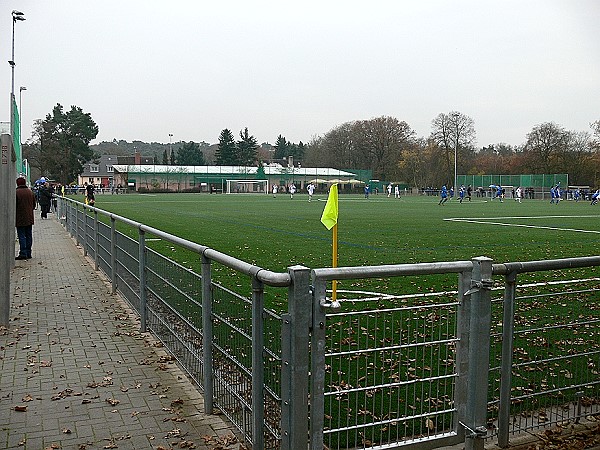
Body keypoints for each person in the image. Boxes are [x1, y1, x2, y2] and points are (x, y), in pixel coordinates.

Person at [15, 177, 36, 260]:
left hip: (20, 218)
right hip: (29, 217)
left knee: (21, 235)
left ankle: (23, 253)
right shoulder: (30, 192)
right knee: (29, 235)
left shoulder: (16, 193)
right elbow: (34, 204)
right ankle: (28, 252)